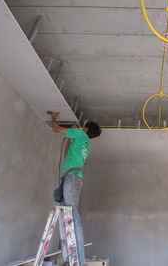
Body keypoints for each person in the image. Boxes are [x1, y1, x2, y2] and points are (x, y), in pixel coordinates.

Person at [47, 111, 101, 266]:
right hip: (71, 178)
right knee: (67, 218)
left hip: (71, 179)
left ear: (86, 128)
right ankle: (68, 260)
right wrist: (71, 136)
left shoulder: (79, 134)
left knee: (73, 217)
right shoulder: (86, 143)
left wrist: (54, 118)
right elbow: (67, 155)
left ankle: (80, 261)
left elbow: (56, 128)